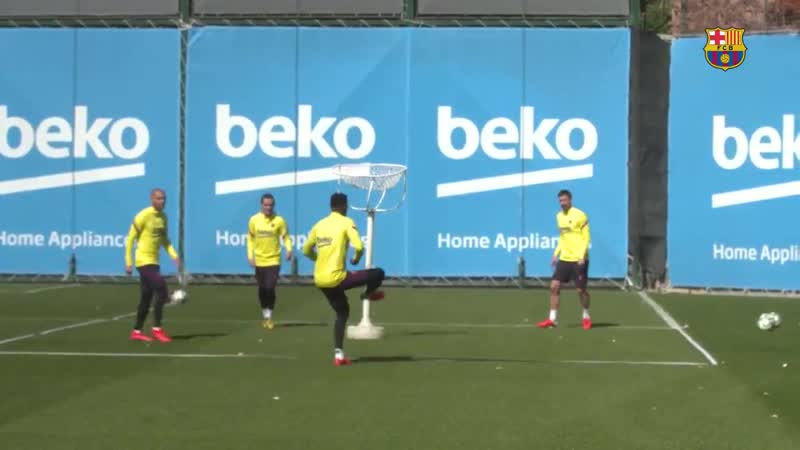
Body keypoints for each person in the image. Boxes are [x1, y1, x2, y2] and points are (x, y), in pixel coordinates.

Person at [302, 192, 386, 366]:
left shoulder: (319, 225)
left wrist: (317, 259)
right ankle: (368, 293)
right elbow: (359, 246)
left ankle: (339, 355)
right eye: (346, 205)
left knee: (342, 313)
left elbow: (306, 250)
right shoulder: (346, 222)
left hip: (320, 280)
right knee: (378, 273)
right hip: (338, 278)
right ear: (343, 206)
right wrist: (356, 258)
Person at [125, 188, 182, 342]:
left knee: (146, 298)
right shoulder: (143, 215)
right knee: (161, 287)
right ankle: (157, 329)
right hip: (143, 261)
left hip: (154, 261)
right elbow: (130, 239)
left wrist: (174, 256)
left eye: (164, 198)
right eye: (159, 198)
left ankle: (136, 331)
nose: (162, 201)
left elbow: (165, 240)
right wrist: (128, 262)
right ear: (152, 199)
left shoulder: (163, 217)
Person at [537, 189, 592, 330]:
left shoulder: (580, 215)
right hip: (564, 259)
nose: (562, 203)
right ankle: (552, 319)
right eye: (560, 200)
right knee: (554, 286)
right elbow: (562, 238)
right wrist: (556, 254)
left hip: (579, 259)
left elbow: (586, 238)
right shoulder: (559, 216)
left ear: (570, 200)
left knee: (580, 290)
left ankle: (586, 316)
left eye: (564, 200)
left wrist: (581, 255)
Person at [247, 193, 292, 330]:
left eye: (271, 205)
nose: (268, 207)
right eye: (266, 205)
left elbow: (286, 237)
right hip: (259, 260)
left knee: (270, 287)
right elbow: (250, 239)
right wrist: (250, 256)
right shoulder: (254, 220)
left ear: (274, 205)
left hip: (274, 260)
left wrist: (289, 249)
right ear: (261, 205)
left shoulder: (279, 220)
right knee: (262, 289)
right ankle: (265, 314)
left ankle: (269, 316)